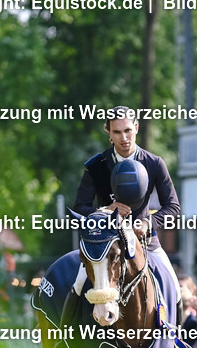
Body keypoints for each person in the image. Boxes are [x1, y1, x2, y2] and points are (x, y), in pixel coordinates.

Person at [73, 105, 182, 315]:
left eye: (127, 130)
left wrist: (148, 222)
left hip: (146, 243)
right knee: (78, 285)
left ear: (136, 128)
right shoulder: (96, 166)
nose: (124, 138)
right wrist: (106, 209)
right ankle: (62, 339)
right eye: (117, 132)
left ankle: (175, 343)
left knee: (175, 288)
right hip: (106, 246)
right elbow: (81, 207)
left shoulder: (155, 163)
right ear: (109, 133)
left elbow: (173, 206)